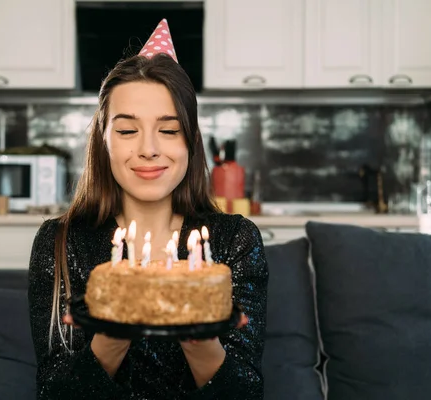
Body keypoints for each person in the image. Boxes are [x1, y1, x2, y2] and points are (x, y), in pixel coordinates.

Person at [28, 18, 269, 400]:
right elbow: (55, 392)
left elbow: (245, 392)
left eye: (169, 130)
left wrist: (197, 331)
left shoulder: (235, 240)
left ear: (190, 141)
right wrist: (114, 328)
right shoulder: (60, 242)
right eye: (127, 130)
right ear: (102, 142)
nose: (148, 148)